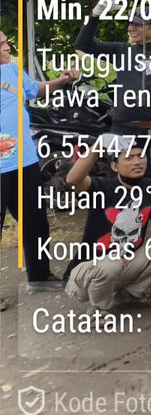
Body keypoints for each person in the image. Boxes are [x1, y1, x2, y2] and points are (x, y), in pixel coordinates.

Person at [1, 32, 80, 291]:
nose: (7, 46)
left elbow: (34, 89)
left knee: (35, 220)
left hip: (25, 161)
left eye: (5, 41)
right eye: (0, 44)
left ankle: (40, 277)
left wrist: (60, 80)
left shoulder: (12, 69)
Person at [64, 136, 151, 309]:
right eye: (129, 158)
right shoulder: (101, 187)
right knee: (111, 263)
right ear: (114, 166)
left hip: (125, 265)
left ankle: (130, 294)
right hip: (88, 274)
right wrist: (99, 145)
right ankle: (98, 310)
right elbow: (72, 179)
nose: (137, 162)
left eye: (141, 156)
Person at [75, 0, 151, 165]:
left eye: (137, 24)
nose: (131, 28)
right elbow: (83, 44)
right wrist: (95, 14)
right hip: (122, 130)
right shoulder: (122, 51)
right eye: (130, 24)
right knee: (120, 179)